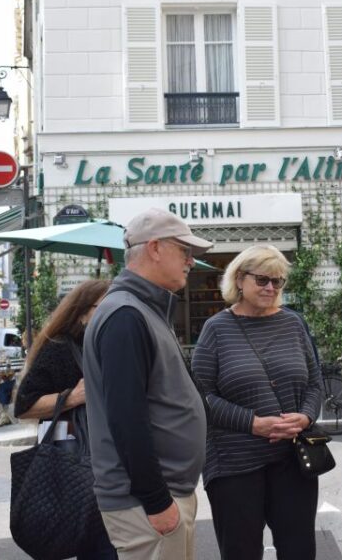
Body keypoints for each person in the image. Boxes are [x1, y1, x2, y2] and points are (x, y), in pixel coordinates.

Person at [83, 208, 211, 560]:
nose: (190, 261)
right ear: (154, 248)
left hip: (159, 498)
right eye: (184, 251)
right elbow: (126, 419)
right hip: (147, 504)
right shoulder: (127, 315)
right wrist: (157, 501)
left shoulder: (141, 308)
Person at [191, 244, 322, 560]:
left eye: (278, 282)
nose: (270, 288)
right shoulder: (216, 329)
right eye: (263, 280)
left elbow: (315, 383)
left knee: (299, 550)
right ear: (239, 279)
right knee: (241, 553)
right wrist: (252, 423)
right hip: (234, 464)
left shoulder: (293, 323)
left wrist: (304, 417)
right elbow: (200, 397)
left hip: (292, 458)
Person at [13, 278, 115, 559]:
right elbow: (24, 405)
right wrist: (74, 397)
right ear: (81, 313)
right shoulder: (60, 348)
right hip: (79, 462)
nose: (113, 313)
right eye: (104, 306)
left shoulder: (111, 345)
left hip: (111, 465)